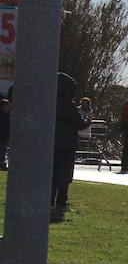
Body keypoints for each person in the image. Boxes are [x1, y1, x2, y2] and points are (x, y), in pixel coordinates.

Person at [52, 73, 91, 211]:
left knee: (53, 172)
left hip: (52, 143)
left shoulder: (50, 103)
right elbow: (80, 124)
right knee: (65, 173)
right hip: (67, 144)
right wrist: (87, 120)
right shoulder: (69, 106)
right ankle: (61, 201)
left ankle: (50, 199)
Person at [0, 98, 9, 171]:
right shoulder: (4, 115)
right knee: (2, 151)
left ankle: (2, 164)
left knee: (3, 151)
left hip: (4, 136)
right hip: (3, 136)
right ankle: (2, 164)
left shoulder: (6, 115)